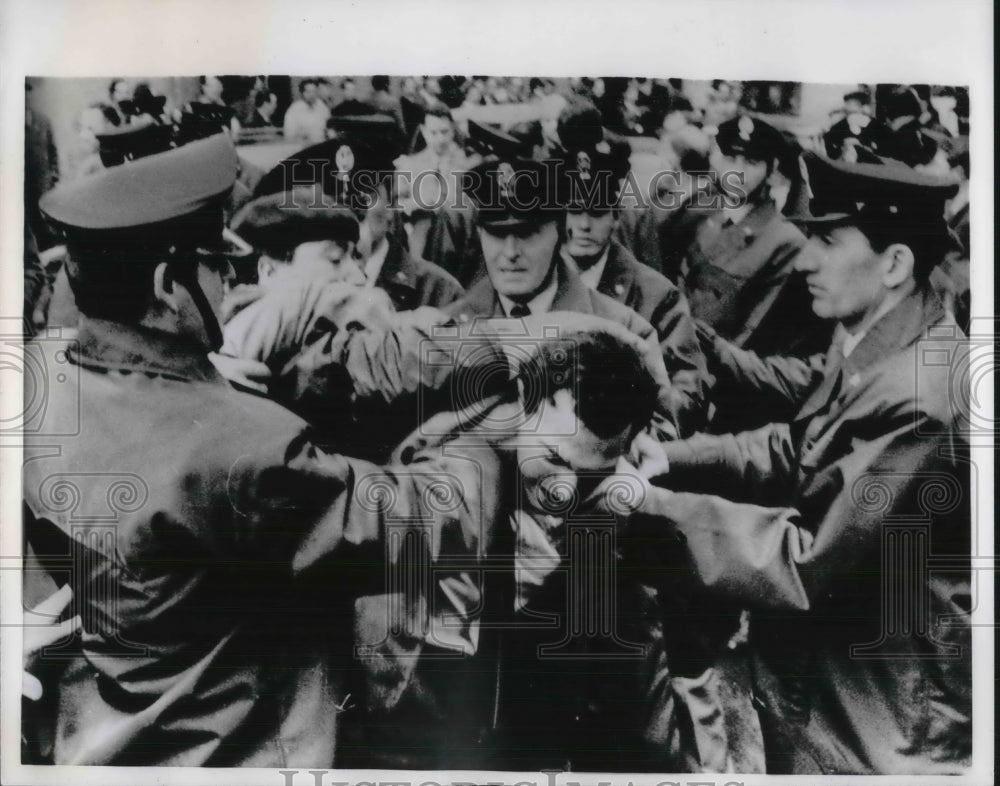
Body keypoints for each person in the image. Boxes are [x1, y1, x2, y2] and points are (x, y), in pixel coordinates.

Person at [22, 132, 498, 767]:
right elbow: (427, 524)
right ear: (169, 284)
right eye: (218, 264)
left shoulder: (34, 379)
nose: (232, 279)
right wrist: (482, 439)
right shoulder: (241, 445)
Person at [636, 151, 971, 774]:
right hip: (845, 691)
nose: (807, 259)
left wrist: (651, 509)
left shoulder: (922, 394)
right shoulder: (880, 343)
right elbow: (803, 446)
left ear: (894, 263)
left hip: (885, 723)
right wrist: (675, 457)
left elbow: (809, 562)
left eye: (827, 240)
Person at [557, 127, 709, 436]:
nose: (584, 225)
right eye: (574, 210)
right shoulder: (536, 283)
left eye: (597, 211)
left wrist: (632, 438)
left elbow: (688, 396)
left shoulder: (657, 296)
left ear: (616, 216)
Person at [680, 114, 831, 360]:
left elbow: (755, 329)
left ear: (772, 171)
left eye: (751, 162)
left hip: (723, 368)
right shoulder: (701, 217)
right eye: (730, 159)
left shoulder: (785, 241)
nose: (737, 172)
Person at [282, 78, 330, 144]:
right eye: (308, 92)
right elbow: (288, 135)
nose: (312, 95)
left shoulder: (322, 107)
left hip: (321, 146)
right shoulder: (294, 110)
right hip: (302, 147)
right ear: (302, 93)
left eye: (314, 91)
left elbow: (328, 128)